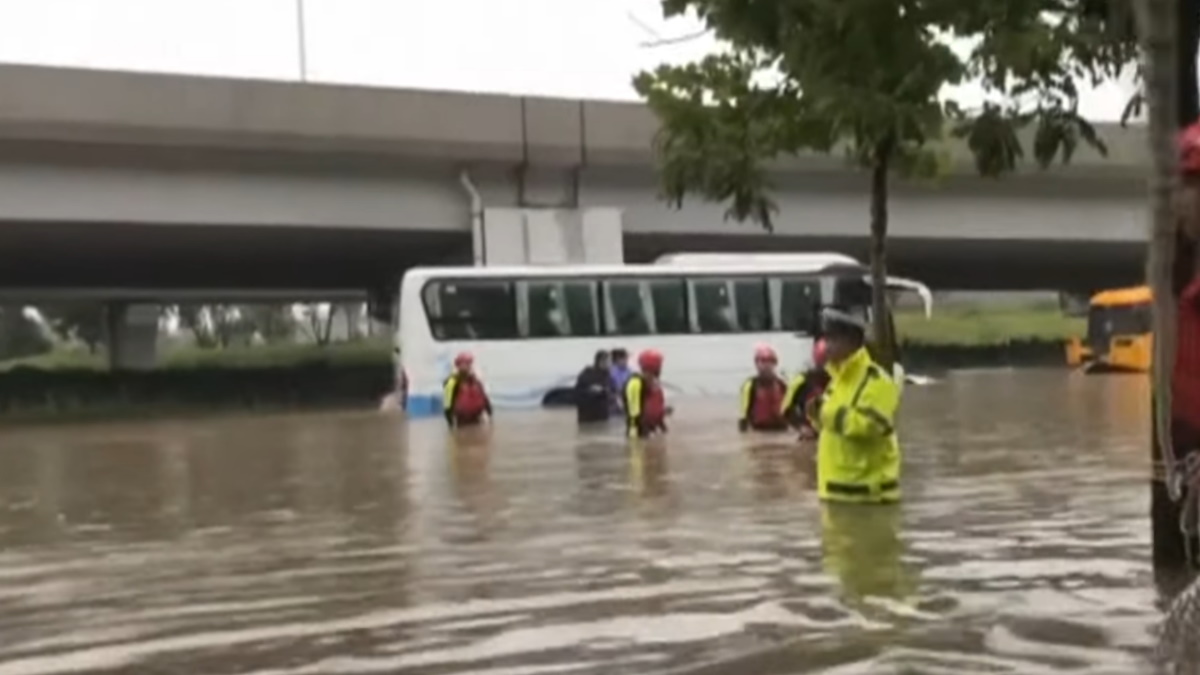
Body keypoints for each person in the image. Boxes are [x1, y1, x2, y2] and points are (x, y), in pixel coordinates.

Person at [806, 308, 901, 503]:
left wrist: (825, 413)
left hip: (868, 501)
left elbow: (870, 426)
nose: (826, 346)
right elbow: (831, 427)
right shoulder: (837, 381)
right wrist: (815, 416)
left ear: (850, 342)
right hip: (836, 495)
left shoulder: (877, 381)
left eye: (832, 339)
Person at [781, 338, 832, 440]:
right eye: (825, 362)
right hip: (810, 434)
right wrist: (801, 427)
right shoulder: (801, 380)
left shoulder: (841, 380)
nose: (827, 368)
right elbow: (785, 409)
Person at [738, 344, 789, 432]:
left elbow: (791, 409)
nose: (765, 366)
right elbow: (743, 415)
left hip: (781, 429)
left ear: (775, 364)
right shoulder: (750, 385)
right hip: (759, 430)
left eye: (769, 362)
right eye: (761, 362)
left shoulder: (782, 385)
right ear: (756, 364)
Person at [624, 349, 668, 439]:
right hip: (639, 432)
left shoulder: (655, 386)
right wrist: (646, 433)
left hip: (652, 430)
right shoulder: (636, 383)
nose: (660, 369)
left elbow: (657, 410)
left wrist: (664, 430)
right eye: (659, 366)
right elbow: (636, 413)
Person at [442, 351, 493, 429]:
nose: (468, 366)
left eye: (469, 364)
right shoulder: (452, 382)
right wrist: (450, 423)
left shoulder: (475, 380)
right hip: (462, 420)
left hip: (477, 418)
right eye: (465, 364)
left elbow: (484, 396)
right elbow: (447, 403)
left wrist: (489, 412)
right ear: (458, 366)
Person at [574, 350, 613, 424]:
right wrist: (594, 390)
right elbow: (578, 392)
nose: (609, 364)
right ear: (600, 361)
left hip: (602, 415)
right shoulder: (587, 373)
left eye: (610, 362)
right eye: (608, 361)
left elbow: (610, 391)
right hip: (588, 415)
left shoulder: (607, 374)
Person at [609, 348, 633, 414]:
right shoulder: (612, 371)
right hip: (615, 399)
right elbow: (617, 386)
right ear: (617, 359)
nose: (627, 360)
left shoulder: (629, 370)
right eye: (625, 358)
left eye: (627, 358)